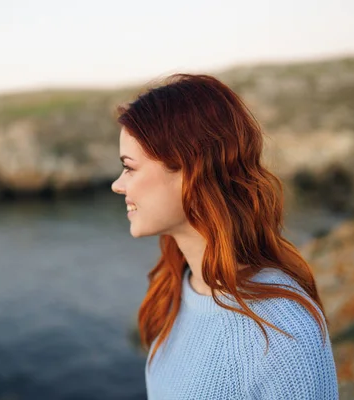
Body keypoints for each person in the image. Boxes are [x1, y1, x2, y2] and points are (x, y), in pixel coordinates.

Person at [111, 74, 339, 399]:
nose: (118, 185)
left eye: (130, 167)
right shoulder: (179, 286)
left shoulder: (281, 331)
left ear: (191, 171)